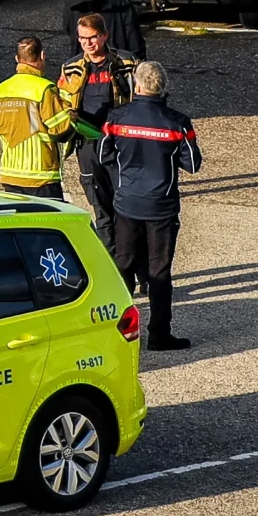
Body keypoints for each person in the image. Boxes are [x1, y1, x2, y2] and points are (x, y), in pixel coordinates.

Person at [100, 60, 201, 350]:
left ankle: (114, 332)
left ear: (137, 85)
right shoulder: (177, 123)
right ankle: (159, 334)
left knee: (123, 266)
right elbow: (193, 164)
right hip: (161, 207)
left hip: (127, 203)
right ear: (163, 87)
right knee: (159, 272)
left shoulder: (117, 118)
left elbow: (105, 154)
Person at [55, 16, 133, 235]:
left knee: (124, 202)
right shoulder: (71, 68)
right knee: (99, 205)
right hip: (87, 143)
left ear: (104, 35)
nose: (87, 43)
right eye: (82, 38)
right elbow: (61, 102)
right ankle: (109, 255)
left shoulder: (126, 63)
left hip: (119, 141)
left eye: (92, 37)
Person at [0, 36, 72, 200]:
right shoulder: (44, 89)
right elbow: (60, 129)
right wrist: (69, 111)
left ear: (16, 59)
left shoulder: (1, 90)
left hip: (10, 173)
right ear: (42, 56)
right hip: (40, 176)